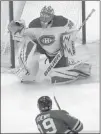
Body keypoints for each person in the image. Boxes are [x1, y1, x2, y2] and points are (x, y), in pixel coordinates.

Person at [8, 6, 91, 84]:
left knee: (57, 78)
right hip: (43, 48)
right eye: (42, 21)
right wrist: (17, 27)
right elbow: (23, 35)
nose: (44, 24)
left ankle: (78, 68)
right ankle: (26, 69)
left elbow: (73, 30)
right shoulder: (34, 24)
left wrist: (69, 39)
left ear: (52, 17)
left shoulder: (62, 21)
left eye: (47, 22)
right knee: (27, 41)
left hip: (58, 51)